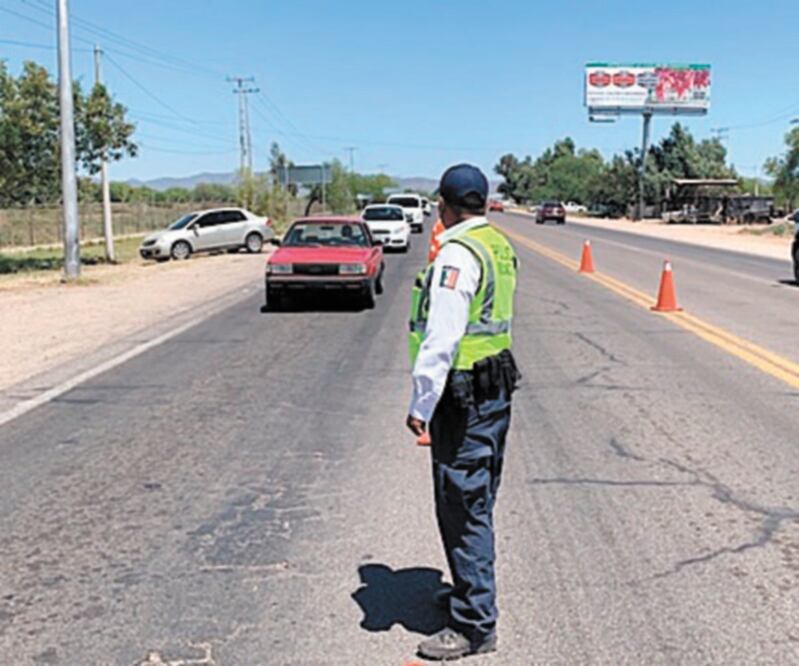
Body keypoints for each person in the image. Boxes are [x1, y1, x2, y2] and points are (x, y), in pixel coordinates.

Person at [406, 164, 520, 661]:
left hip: (465, 395)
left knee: (462, 503)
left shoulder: (457, 252)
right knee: (477, 496)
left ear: (443, 206)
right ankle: (466, 594)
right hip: (494, 388)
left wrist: (421, 404)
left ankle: (475, 624)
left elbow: (443, 336)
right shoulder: (496, 244)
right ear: (486, 202)